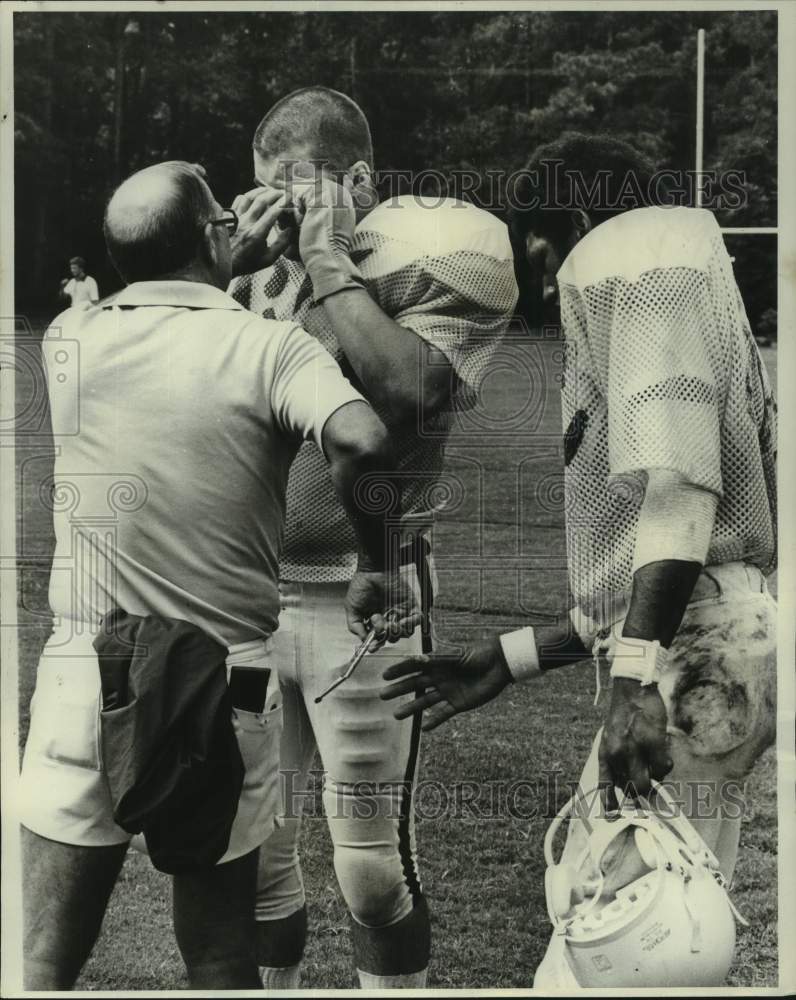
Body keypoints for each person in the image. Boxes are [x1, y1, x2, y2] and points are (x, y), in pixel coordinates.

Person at [381, 133, 777, 986]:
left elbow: (677, 495)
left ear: (580, 220)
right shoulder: (675, 266)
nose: (544, 272)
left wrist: (633, 685)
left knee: (614, 954)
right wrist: (511, 657)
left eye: (543, 244)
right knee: (650, 939)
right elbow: (648, 564)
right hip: (714, 637)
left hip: (693, 655)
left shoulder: (636, 263)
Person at [19, 160, 417, 990]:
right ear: (210, 235)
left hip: (83, 672)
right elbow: (367, 441)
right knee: (219, 957)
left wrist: (215, 257)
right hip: (219, 680)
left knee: (43, 961)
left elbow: (172, 322)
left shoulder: (69, 338)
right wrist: (377, 566)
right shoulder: (272, 347)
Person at [228, 86, 518, 989]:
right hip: (243, 593)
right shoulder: (248, 271)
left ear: (360, 178)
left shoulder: (432, 249)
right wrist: (222, 275)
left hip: (364, 596)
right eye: (265, 192)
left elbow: (405, 392)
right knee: (258, 860)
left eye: (303, 190)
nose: (283, 213)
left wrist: (324, 262)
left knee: (372, 875)